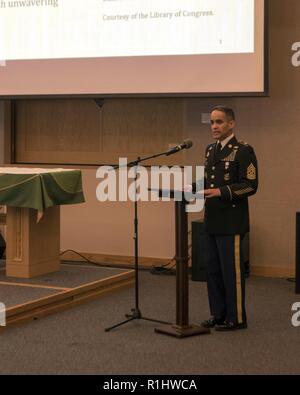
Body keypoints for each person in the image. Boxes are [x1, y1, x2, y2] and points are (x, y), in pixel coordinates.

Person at [197, 106, 258, 331]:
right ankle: (218, 314)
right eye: (212, 122)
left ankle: (236, 317)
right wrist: (189, 188)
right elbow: (208, 182)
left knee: (231, 273)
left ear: (231, 124)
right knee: (212, 271)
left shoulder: (243, 150)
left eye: (219, 122)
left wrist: (222, 192)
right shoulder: (209, 149)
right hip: (212, 219)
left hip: (231, 221)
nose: (214, 126)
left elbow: (250, 186)